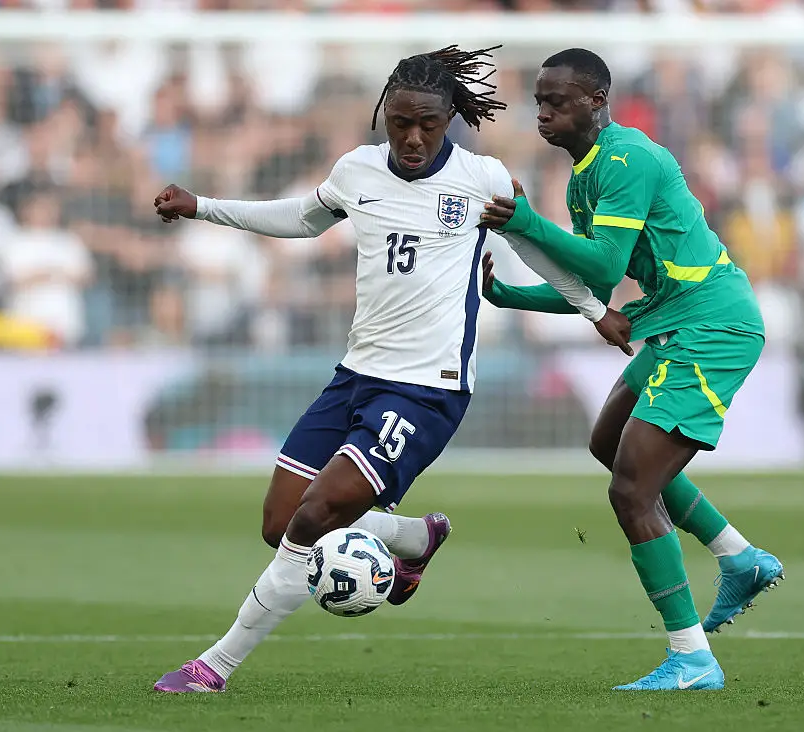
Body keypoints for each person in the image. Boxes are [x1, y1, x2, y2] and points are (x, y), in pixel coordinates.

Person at [149, 45, 630, 694]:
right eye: (399, 122)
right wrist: (203, 206)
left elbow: (539, 249)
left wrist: (594, 309)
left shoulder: (482, 180)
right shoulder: (357, 171)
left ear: (450, 117)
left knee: (314, 516)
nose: (412, 136)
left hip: (429, 391)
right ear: (383, 115)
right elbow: (301, 218)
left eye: (427, 124)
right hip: (355, 375)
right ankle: (411, 536)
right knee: (278, 523)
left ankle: (215, 666)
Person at [479, 48, 783, 691]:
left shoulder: (627, 158)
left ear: (596, 102)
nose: (544, 113)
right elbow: (595, 275)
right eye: (539, 101)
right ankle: (740, 557)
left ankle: (692, 658)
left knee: (631, 490)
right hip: (673, 319)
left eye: (557, 101)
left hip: (712, 326)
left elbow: (601, 266)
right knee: (608, 443)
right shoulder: (585, 173)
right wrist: (514, 294)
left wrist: (528, 224)